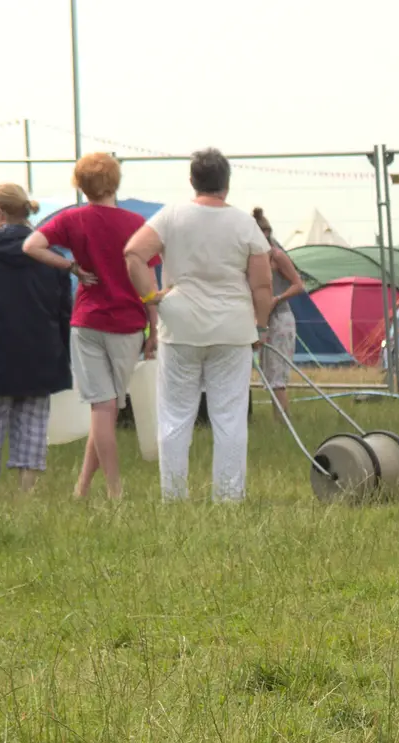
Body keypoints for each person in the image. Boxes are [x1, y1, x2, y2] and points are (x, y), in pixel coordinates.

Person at [124, 148, 271, 502]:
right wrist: (261, 328)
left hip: (181, 324)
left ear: (192, 180)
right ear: (227, 183)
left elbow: (133, 253)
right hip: (233, 330)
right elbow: (262, 285)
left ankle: (173, 497)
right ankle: (229, 498)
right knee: (229, 417)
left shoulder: (172, 216)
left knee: (174, 416)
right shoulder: (244, 224)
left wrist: (152, 298)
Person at [22, 152, 152, 500]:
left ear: (79, 184)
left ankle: (85, 487)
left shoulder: (72, 218)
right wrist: (153, 327)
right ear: (116, 182)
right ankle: (114, 492)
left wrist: (69, 268)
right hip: (127, 325)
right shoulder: (137, 223)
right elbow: (148, 277)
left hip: (87, 321)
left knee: (101, 408)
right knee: (106, 406)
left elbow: (31, 245)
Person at [0, 184, 71, 497]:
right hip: (40, 353)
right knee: (33, 425)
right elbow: (63, 310)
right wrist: (62, 353)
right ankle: (26, 501)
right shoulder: (52, 256)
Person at [251, 208, 306, 420]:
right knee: (268, 372)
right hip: (263, 319)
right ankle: (279, 419)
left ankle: (283, 421)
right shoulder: (254, 259)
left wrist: (277, 298)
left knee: (277, 375)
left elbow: (298, 285)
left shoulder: (277, 256)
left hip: (280, 317)